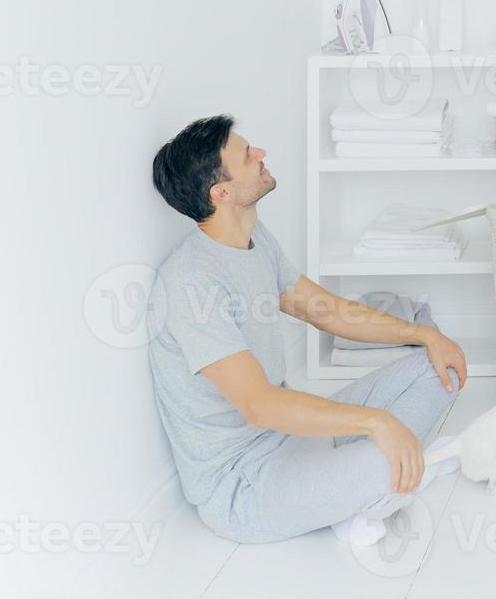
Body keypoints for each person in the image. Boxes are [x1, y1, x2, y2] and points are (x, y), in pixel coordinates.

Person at [148, 115, 467, 545]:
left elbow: (327, 310)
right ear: (221, 193)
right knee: (383, 458)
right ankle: (376, 486)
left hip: (291, 439)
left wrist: (426, 335)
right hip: (245, 486)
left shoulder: (253, 237)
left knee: (437, 367)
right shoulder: (191, 281)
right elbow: (258, 405)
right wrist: (376, 422)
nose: (260, 154)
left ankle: (366, 488)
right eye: (247, 155)